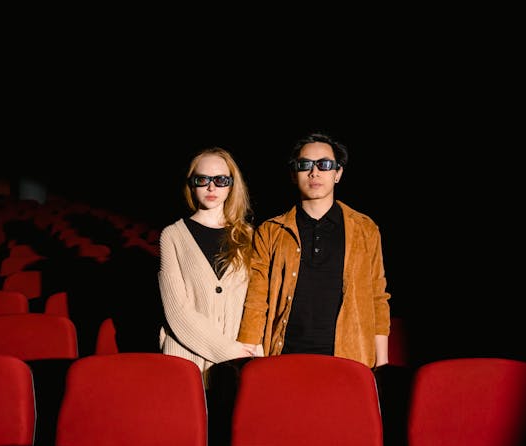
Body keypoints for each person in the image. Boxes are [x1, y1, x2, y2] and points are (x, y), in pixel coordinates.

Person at [238, 132, 391, 368]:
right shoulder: (271, 231)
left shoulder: (365, 229)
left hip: (348, 361)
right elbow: (256, 299)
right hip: (284, 357)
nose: (314, 172)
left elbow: (377, 298)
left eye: (324, 165)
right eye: (305, 165)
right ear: (293, 174)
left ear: (338, 173)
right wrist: (250, 356)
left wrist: (381, 364)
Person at [158, 147, 260, 386]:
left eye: (221, 180)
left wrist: (251, 351)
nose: (211, 187)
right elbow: (177, 311)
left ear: (231, 186)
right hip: (186, 357)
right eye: (202, 180)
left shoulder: (249, 237)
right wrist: (230, 351)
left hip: (237, 362)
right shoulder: (172, 236)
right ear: (191, 185)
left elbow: (255, 302)